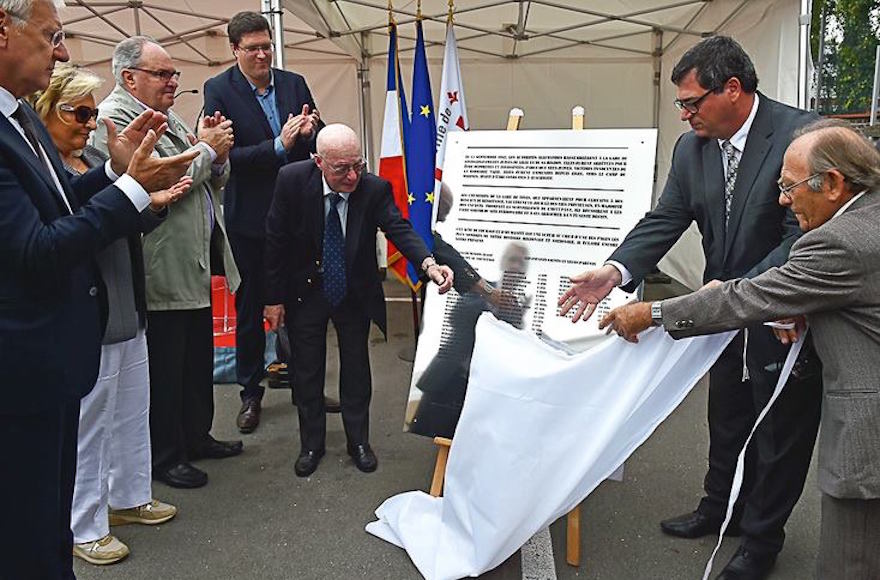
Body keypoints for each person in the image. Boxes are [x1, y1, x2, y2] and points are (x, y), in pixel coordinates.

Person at [558, 36, 822, 579]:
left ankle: (760, 541)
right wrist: (613, 273)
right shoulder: (693, 148)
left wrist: (725, 300)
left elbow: (800, 238)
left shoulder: (802, 137)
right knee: (726, 413)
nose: (684, 115)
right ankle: (718, 504)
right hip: (718, 315)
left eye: (691, 102)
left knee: (776, 431)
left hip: (780, 313)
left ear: (732, 89)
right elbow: (665, 218)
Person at [599, 120, 880, 580]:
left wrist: (650, 313)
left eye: (790, 188)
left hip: (869, 445)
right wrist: (810, 305)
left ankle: (761, 540)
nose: (784, 201)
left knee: (851, 562)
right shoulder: (867, 215)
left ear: (832, 184)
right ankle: (722, 508)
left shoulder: (838, 241)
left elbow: (742, 297)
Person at [0, 0, 198, 575]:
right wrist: (132, 191)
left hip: (50, 360)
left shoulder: (20, 116)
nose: (62, 51)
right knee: (25, 531)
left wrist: (115, 172)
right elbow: (37, 250)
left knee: (46, 523)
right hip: (20, 372)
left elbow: (64, 196)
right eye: (52, 36)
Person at [28, 62, 181, 566]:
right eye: (78, 113)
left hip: (124, 302)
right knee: (90, 424)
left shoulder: (93, 160)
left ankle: (131, 495)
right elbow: (69, 235)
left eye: (93, 114)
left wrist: (152, 204)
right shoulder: (41, 169)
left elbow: (125, 221)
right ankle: (85, 524)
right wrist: (129, 194)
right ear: (45, 111)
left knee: (132, 410)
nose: (89, 124)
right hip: (88, 312)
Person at [92, 36, 243, 490]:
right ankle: (166, 454)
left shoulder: (165, 115)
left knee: (196, 359)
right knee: (166, 367)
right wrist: (207, 150)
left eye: (174, 74)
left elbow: (206, 177)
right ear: (129, 77)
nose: (173, 81)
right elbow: (159, 175)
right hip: (160, 264)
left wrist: (219, 157)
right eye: (163, 73)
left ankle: (196, 436)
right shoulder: (114, 119)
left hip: (191, 262)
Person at [263, 123, 454, 477]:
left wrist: (428, 264)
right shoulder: (291, 181)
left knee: (356, 368)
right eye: (341, 168)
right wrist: (273, 300)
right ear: (318, 161)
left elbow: (399, 228)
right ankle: (311, 444)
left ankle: (359, 442)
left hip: (353, 290)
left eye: (358, 165)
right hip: (306, 289)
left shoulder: (374, 188)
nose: (352, 175)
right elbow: (275, 242)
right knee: (307, 370)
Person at [203, 10, 324, 434]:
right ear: (234, 49)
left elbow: (317, 134)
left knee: (304, 302)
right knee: (251, 305)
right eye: (252, 48)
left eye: (266, 46)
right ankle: (250, 392)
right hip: (250, 218)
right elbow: (224, 157)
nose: (261, 55)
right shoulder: (218, 90)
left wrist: (310, 129)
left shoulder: (293, 83)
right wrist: (277, 145)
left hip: (298, 215)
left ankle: (307, 386)